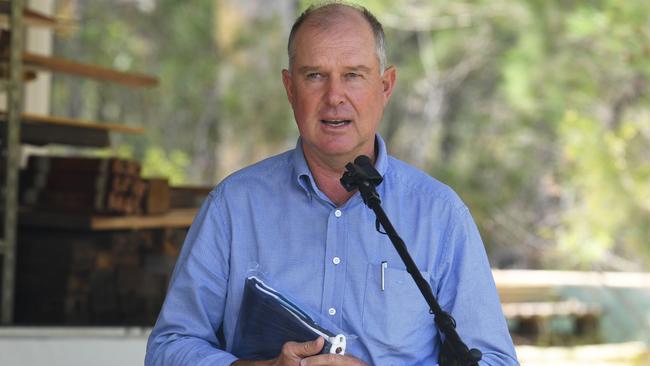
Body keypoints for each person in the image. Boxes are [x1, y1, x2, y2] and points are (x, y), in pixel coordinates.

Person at [145, 2, 519, 365]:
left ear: (386, 86)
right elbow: (168, 348)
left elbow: (496, 361)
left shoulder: (440, 215)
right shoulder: (233, 206)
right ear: (290, 88)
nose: (334, 96)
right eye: (315, 76)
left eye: (353, 75)